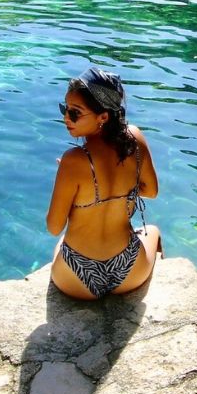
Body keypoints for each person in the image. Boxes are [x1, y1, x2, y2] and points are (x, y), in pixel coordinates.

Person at [46, 67, 162, 299]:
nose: (66, 118)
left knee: (59, 243)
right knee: (153, 231)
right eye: (65, 109)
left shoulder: (73, 161)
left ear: (103, 117)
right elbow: (151, 192)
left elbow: (54, 227)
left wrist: (71, 181)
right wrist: (122, 186)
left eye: (75, 113)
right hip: (129, 270)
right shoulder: (135, 138)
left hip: (75, 277)